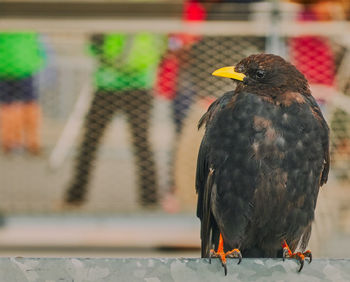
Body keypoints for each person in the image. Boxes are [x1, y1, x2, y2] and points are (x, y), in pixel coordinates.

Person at [64, 32, 166, 207]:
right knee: (142, 143)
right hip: (139, 83)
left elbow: (92, 46)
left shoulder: (109, 7)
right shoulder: (151, 10)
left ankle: (75, 196)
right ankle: (151, 199)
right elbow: (162, 46)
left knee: (90, 142)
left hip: (108, 83)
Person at [0, 32, 45, 155]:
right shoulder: (29, 28)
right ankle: (30, 142)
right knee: (27, 104)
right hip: (23, 67)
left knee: (9, 105)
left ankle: (11, 141)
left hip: (6, 67)